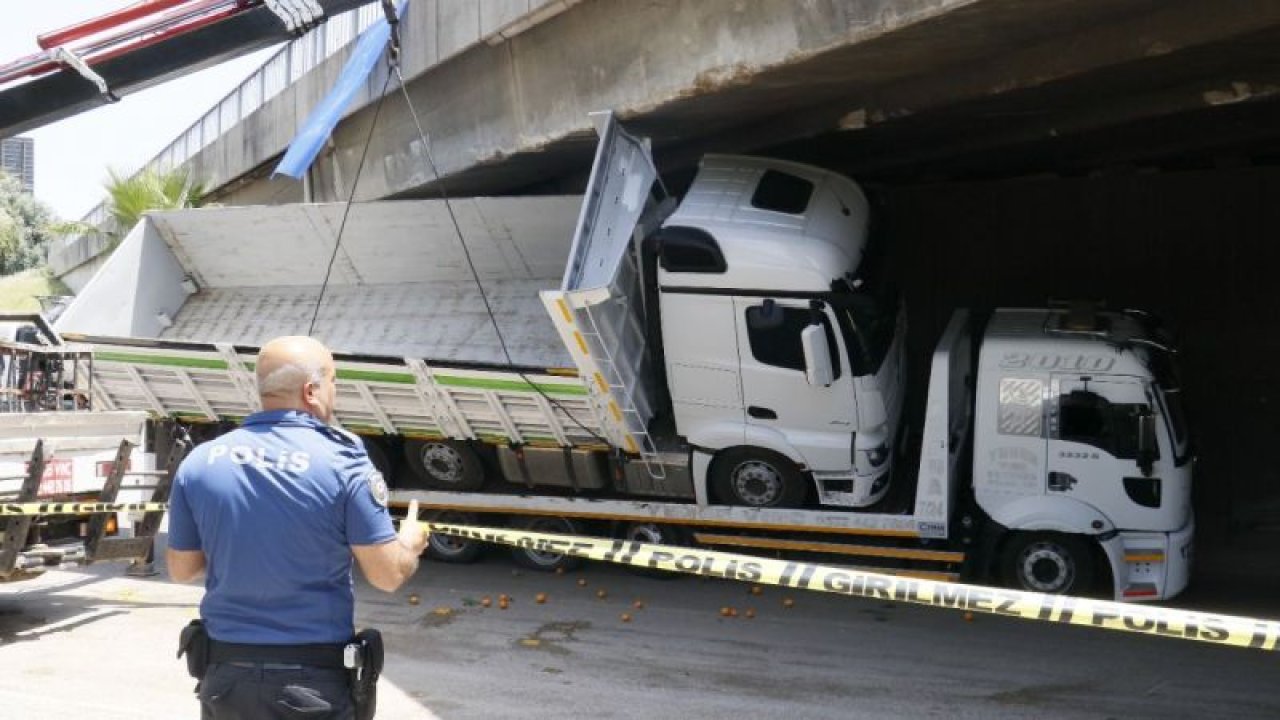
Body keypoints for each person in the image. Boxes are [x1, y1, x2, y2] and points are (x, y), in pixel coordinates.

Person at [166, 335, 429, 719]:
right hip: (310, 684)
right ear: (311, 391)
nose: (336, 392)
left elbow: (181, 569)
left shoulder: (200, 462)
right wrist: (409, 543)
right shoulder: (343, 463)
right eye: (334, 381)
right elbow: (387, 575)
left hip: (226, 682)